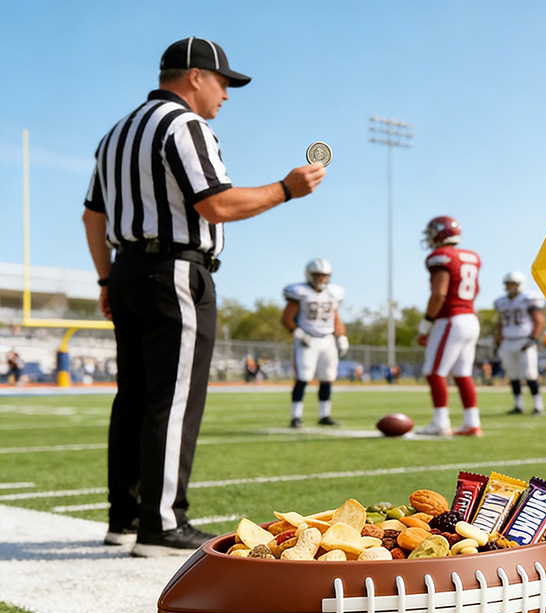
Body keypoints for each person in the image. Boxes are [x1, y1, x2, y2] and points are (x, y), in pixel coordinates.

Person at [82, 37, 325, 556]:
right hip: (174, 271)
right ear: (195, 76)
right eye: (223, 82)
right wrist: (287, 188)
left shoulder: (116, 132)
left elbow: (93, 217)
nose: (227, 96)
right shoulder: (185, 125)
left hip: (126, 269)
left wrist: (106, 280)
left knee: (133, 399)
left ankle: (123, 518)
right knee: (172, 400)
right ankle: (162, 524)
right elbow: (215, 205)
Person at [416, 215, 482, 436]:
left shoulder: (440, 257)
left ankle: (440, 423)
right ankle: (472, 422)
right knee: (462, 374)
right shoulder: (471, 256)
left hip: (451, 319)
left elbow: (440, 293)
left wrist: (426, 324)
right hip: (471, 317)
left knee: (434, 372)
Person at [281, 259, 348, 427]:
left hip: (327, 339)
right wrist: (297, 332)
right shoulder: (299, 291)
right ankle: (296, 416)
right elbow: (286, 318)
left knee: (328, 377)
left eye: (324, 276)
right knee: (304, 376)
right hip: (307, 339)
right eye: (317, 275)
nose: (321, 279)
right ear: (309, 275)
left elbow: (336, 317)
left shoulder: (334, 292)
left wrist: (341, 336)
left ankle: (324, 415)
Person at [493, 271, 546, 414]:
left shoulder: (528, 299)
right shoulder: (501, 302)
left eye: (510, 284)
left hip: (524, 340)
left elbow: (539, 320)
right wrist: (497, 340)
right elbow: (501, 323)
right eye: (506, 284)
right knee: (513, 376)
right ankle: (518, 405)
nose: (507, 287)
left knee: (530, 375)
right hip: (508, 341)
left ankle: (538, 406)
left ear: (519, 285)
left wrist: (533, 338)